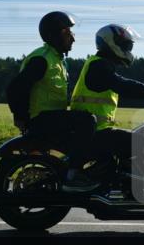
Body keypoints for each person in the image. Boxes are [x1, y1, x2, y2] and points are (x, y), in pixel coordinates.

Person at [6, 11, 97, 192]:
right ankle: (74, 176)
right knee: (87, 120)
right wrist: (20, 117)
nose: (73, 38)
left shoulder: (57, 60)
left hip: (51, 118)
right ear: (54, 35)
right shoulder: (42, 59)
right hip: (41, 119)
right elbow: (15, 88)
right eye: (67, 33)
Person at [70, 24, 144, 175]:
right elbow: (125, 86)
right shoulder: (98, 66)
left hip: (96, 130)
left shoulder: (100, 64)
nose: (128, 50)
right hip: (95, 132)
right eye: (126, 46)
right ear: (111, 43)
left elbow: (123, 85)